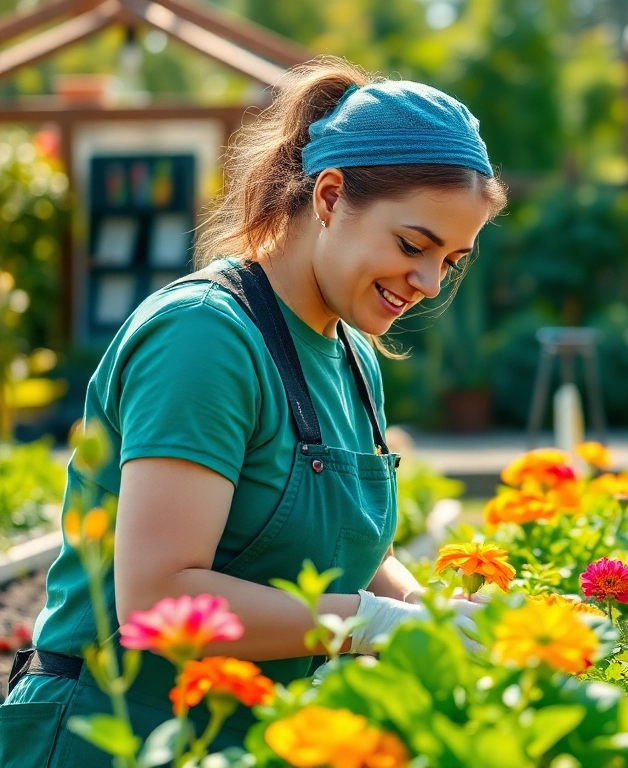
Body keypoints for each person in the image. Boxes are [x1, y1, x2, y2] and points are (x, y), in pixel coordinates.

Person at [0, 55, 507, 767]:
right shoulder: (204, 337)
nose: (427, 282)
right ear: (329, 196)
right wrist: (372, 623)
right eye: (413, 245)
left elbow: (350, 551)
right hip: (115, 737)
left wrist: (435, 614)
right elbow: (157, 600)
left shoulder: (352, 354)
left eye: (451, 260)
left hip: (243, 740)